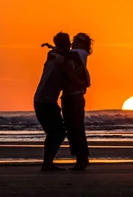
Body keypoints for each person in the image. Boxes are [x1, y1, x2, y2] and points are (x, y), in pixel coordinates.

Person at [33, 32, 86, 171]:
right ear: (67, 44)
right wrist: (84, 84)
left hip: (41, 100)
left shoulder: (51, 57)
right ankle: (47, 163)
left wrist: (54, 49)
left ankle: (47, 163)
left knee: (55, 133)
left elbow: (58, 53)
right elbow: (74, 78)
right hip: (46, 102)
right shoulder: (63, 61)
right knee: (57, 133)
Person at [61, 32, 93, 170]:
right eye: (74, 39)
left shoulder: (81, 52)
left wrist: (56, 49)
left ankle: (82, 158)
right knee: (71, 129)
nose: (75, 42)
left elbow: (69, 54)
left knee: (77, 128)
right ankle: (80, 158)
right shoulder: (73, 54)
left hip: (75, 96)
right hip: (69, 95)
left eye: (78, 40)